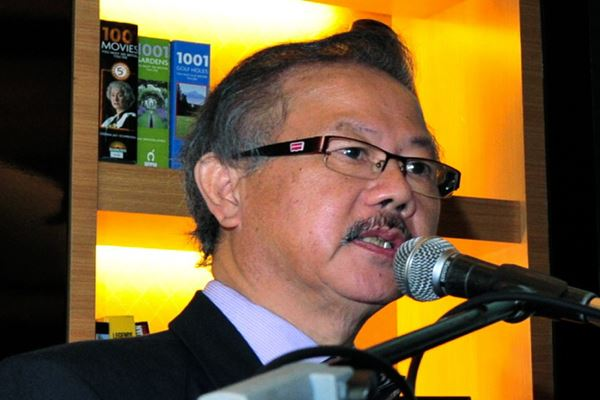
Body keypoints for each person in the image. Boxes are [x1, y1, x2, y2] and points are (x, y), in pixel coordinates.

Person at [0, 19, 460, 399]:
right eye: (353, 152)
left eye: (418, 166)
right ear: (225, 189)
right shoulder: (63, 387)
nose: (399, 189)